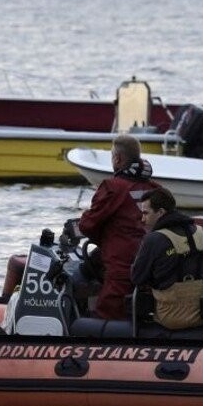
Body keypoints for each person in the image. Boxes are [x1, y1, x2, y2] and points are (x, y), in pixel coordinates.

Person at [70, 134, 160, 320]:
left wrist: (102, 238)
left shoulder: (112, 187)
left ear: (117, 158)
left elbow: (87, 225)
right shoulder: (155, 189)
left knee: (107, 314)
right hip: (150, 269)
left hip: (120, 270)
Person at [130, 187, 203, 335]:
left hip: (171, 317)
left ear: (161, 212)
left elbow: (137, 278)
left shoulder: (153, 239)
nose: (142, 219)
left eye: (146, 213)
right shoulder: (202, 232)